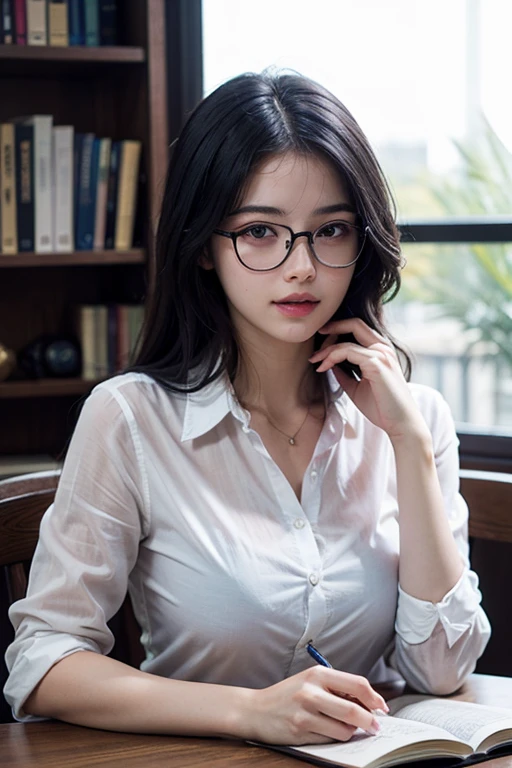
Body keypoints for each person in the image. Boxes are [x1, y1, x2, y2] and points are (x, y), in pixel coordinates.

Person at [4, 70, 490, 745]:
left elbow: (440, 671)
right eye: (261, 231)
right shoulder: (130, 420)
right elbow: (45, 662)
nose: (302, 268)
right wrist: (248, 712)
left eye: (332, 231)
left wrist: (408, 443)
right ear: (206, 246)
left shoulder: (416, 419)